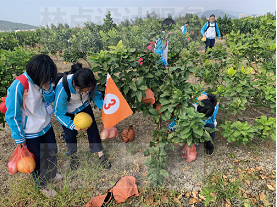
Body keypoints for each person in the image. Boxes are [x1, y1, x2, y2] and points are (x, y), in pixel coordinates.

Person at [5, 54, 60, 197]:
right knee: (37, 160)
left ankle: (52, 174)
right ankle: (42, 186)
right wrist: (19, 137)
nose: (48, 80)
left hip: (45, 125)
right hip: (30, 132)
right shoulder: (19, 85)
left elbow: (50, 99)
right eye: (46, 78)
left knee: (52, 152)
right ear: (37, 74)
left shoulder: (43, 80)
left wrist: (47, 87)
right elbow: (12, 114)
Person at [54, 63, 111, 170]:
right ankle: (73, 156)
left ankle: (101, 155)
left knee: (93, 129)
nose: (85, 92)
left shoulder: (91, 83)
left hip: (83, 105)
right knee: (70, 135)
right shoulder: (62, 88)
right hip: (67, 109)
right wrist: (72, 125)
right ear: (74, 84)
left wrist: (106, 109)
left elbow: (96, 96)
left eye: (87, 91)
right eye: (83, 91)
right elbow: (58, 113)